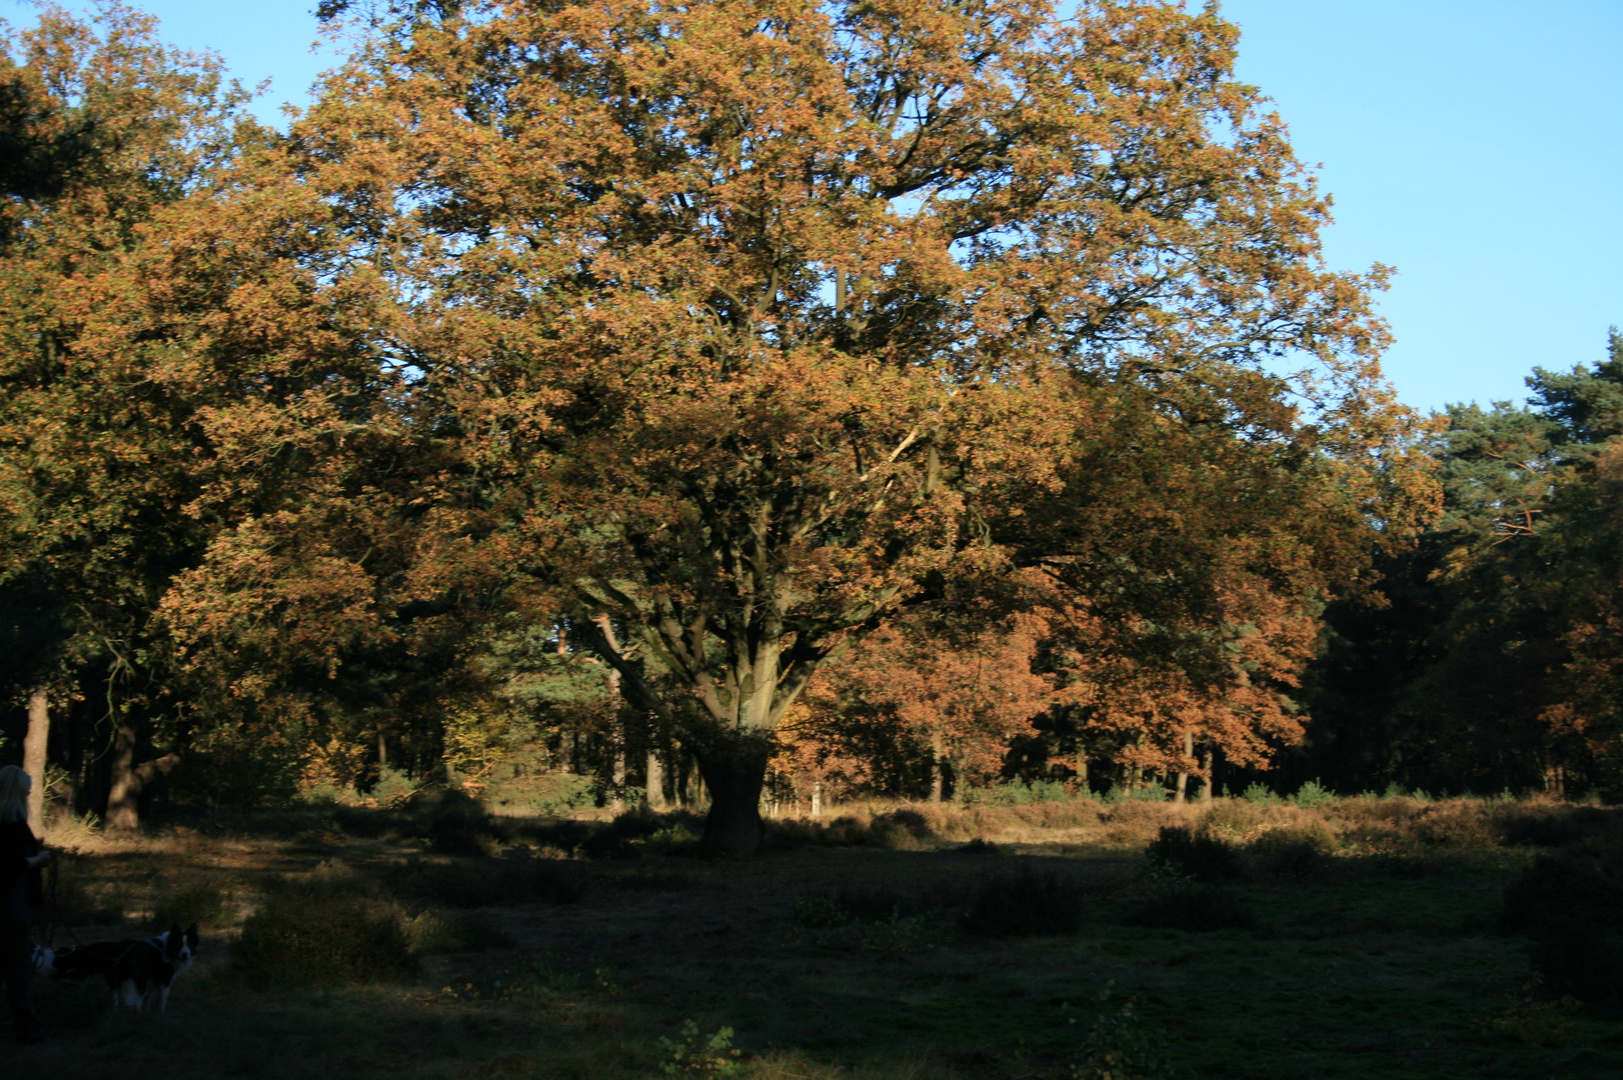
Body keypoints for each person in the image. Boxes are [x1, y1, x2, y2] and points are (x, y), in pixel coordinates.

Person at [0, 765, 52, 1045]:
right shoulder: (13, 826)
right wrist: (37, 861)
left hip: (13, 908)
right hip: (11, 909)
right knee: (19, 974)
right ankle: (29, 1032)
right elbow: (9, 867)